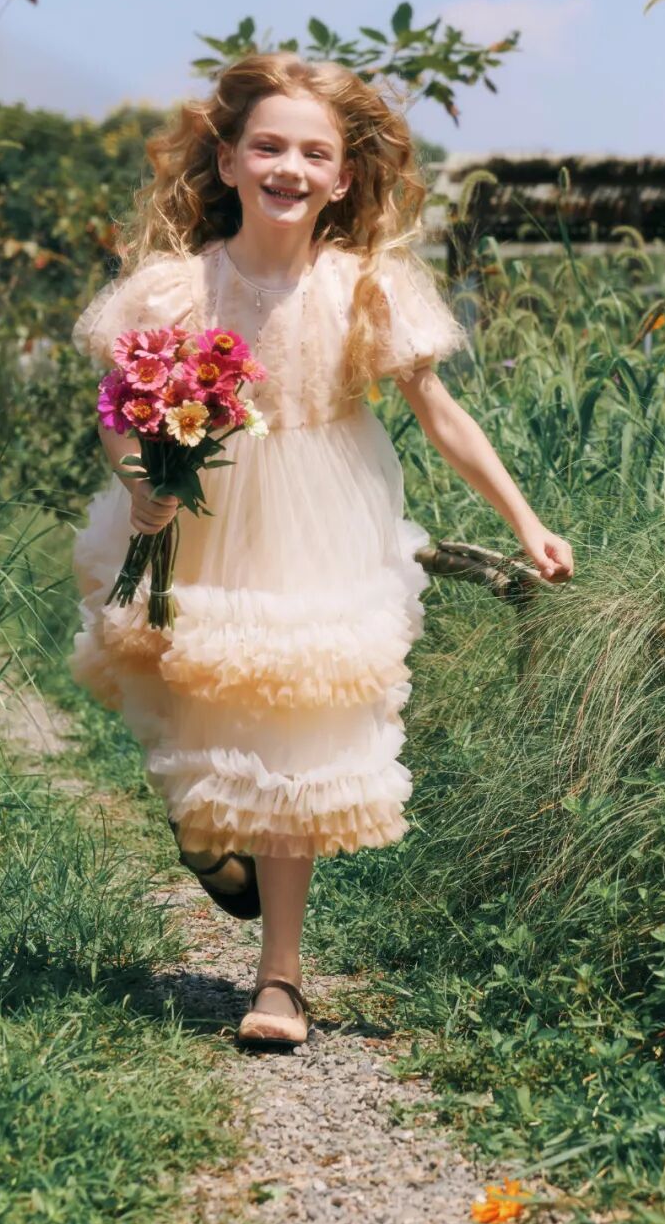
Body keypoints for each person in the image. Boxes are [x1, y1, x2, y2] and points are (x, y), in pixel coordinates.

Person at [70, 52, 572, 1052]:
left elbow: (441, 415)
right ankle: (208, 840)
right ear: (228, 162)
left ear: (343, 178)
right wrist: (138, 483)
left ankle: (281, 980)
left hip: (323, 518)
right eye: (268, 146)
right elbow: (117, 410)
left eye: (313, 153)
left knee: (295, 739)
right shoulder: (180, 289)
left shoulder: (365, 288)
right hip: (202, 513)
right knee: (185, 706)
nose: (288, 167)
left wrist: (526, 520)